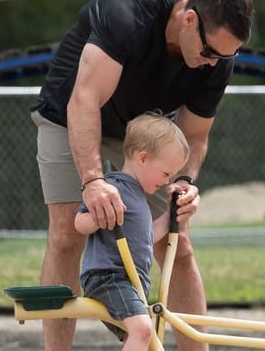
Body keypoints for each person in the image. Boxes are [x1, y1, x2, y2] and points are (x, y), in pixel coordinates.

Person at [29, 0, 252, 351]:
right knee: (68, 234)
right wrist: (93, 181)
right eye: (211, 50)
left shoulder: (218, 61)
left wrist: (184, 183)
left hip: (143, 131)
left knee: (178, 243)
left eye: (225, 57)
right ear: (188, 19)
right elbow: (85, 100)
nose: (214, 62)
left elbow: (194, 137)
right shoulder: (128, 13)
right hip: (73, 114)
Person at [74, 113, 191, 351]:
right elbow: (78, 222)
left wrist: (171, 214)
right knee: (143, 329)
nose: (167, 182)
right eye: (166, 174)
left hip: (132, 282)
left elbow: (149, 237)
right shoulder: (113, 188)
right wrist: (97, 218)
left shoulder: (138, 197)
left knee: (138, 336)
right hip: (109, 277)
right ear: (143, 158)